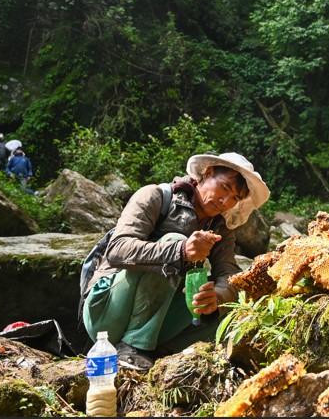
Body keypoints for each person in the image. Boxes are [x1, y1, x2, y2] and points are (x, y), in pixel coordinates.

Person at [81, 152, 270, 371]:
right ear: (207, 174)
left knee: (232, 301)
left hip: (156, 323)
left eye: (235, 198)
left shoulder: (220, 228)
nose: (226, 201)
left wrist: (216, 298)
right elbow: (117, 250)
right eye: (225, 188)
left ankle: (158, 350)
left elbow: (229, 274)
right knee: (175, 239)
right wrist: (180, 250)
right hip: (107, 313)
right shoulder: (155, 196)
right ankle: (133, 347)